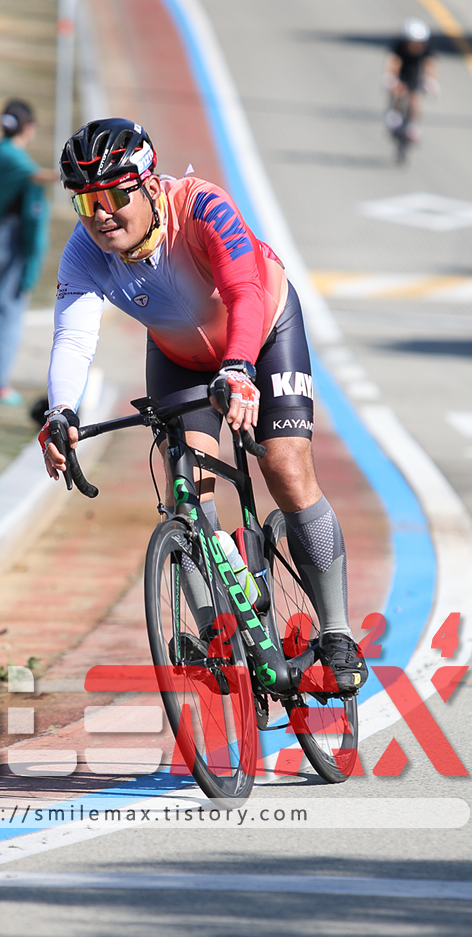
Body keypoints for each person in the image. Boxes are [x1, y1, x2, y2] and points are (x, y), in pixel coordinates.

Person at [37, 117, 368, 695]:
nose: (102, 215)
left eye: (114, 197)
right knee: (187, 496)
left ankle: (337, 632)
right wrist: (61, 411)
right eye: (86, 204)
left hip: (263, 332)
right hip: (180, 357)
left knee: (285, 469)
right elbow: (74, 338)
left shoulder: (201, 206)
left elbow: (244, 291)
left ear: (148, 185)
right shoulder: (84, 252)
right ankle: (220, 636)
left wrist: (239, 368)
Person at [0, 100, 56, 404]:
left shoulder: (1, 152)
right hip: (7, 242)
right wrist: (79, 176)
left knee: (3, 310)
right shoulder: (7, 153)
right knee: (8, 312)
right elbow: (36, 175)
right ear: (28, 127)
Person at [384, 18, 439, 141]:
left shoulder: (426, 49)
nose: (417, 46)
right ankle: (395, 113)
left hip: (415, 73)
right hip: (402, 72)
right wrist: (390, 77)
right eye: (413, 43)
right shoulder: (399, 47)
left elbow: (430, 64)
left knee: (414, 99)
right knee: (398, 92)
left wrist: (431, 80)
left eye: (420, 43)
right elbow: (393, 62)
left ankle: (413, 124)